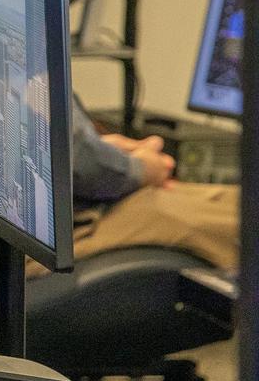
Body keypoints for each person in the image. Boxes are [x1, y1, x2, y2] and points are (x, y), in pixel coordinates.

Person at [64, 99, 236, 271]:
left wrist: (102, 149)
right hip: (72, 228)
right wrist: (143, 168)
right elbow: (81, 162)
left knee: (232, 198)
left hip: (74, 206)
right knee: (239, 221)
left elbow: (67, 148)